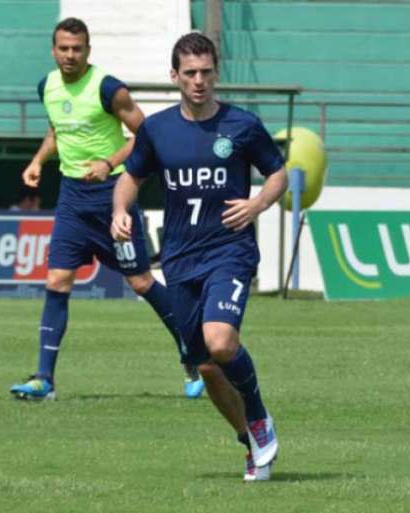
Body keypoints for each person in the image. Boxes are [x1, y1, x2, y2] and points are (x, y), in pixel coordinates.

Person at [111, 33, 286, 481]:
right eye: (189, 73)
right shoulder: (158, 129)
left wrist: (257, 204)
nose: (199, 81)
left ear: (216, 73)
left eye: (206, 72)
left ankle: (261, 416)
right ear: (175, 76)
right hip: (179, 257)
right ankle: (249, 441)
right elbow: (130, 178)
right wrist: (118, 212)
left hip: (230, 250)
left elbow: (278, 173)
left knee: (221, 341)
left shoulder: (242, 125)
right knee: (207, 366)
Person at [9, 17, 205, 401]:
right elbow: (57, 131)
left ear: (88, 51)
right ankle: (43, 380)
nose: (70, 55)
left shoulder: (108, 88)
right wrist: (37, 161)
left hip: (112, 199)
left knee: (140, 282)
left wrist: (108, 162)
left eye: (77, 48)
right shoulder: (46, 86)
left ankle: (193, 356)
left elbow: (146, 134)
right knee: (56, 282)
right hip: (71, 200)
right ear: (53, 50)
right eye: (63, 48)